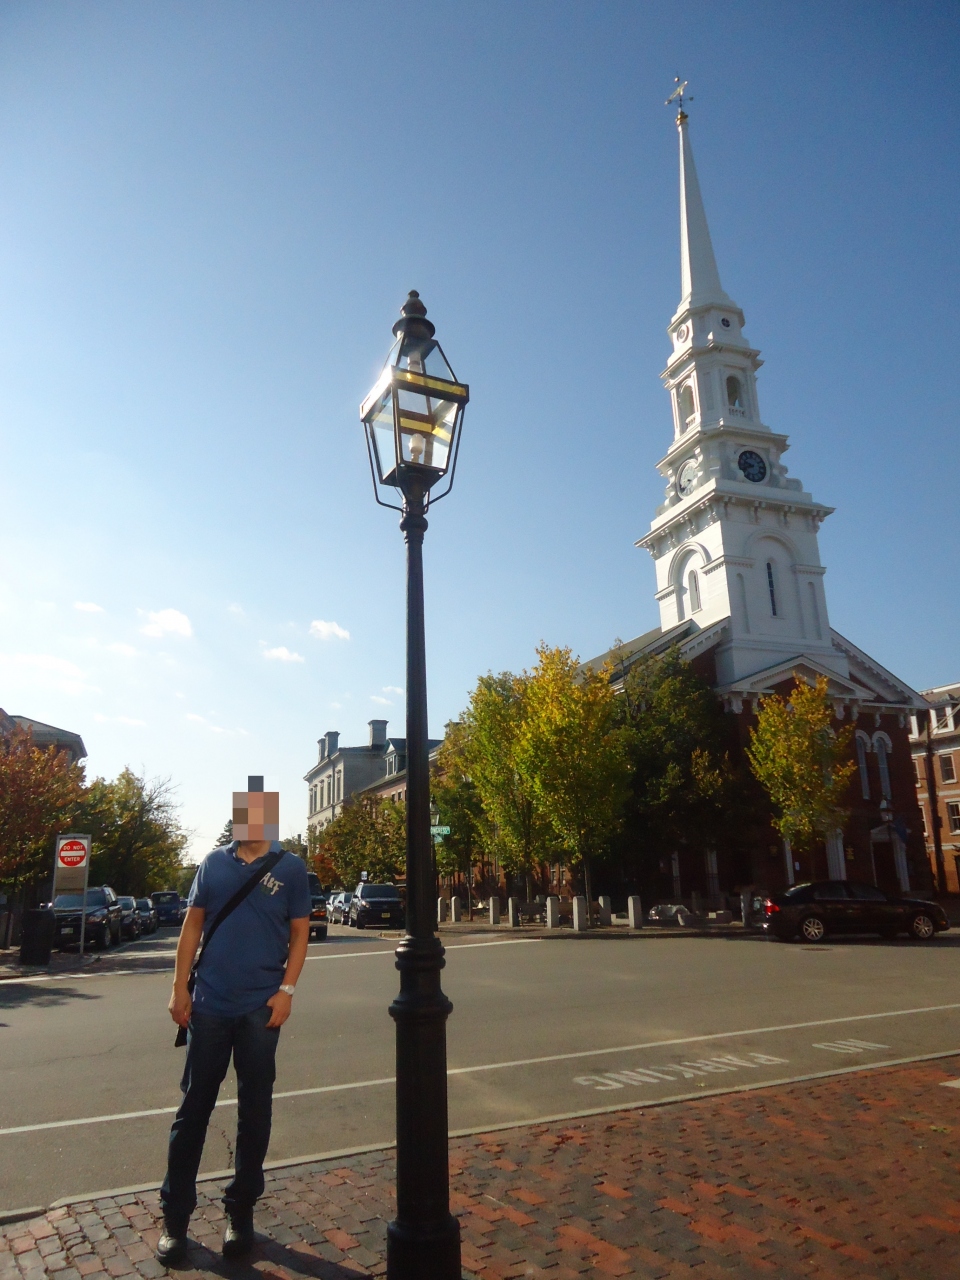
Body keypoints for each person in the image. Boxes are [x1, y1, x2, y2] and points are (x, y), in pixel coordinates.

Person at [157, 792, 310, 1264]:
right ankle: (175, 1218)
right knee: (193, 1111)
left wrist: (286, 991)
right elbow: (192, 927)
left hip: (261, 1009)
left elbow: (300, 932)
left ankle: (239, 1213)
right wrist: (179, 988)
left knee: (255, 1112)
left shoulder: (291, 869)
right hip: (209, 1006)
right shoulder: (213, 864)